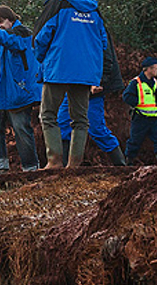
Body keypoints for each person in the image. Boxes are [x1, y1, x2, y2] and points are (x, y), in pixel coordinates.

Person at [33, 0, 107, 169]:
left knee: (48, 115)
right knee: (80, 119)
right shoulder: (94, 9)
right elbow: (104, 42)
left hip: (59, 68)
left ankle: (54, 161)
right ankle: (74, 164)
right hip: (85, 72)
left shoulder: (58, 5)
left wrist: (43, 59)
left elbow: (41, 36)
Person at [0, 5, 41, 174]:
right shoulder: (1, 37)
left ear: (11, 19)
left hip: (18, 88)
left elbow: (14, 44)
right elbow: (1, 62)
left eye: (0, 21)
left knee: (21, 127)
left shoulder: (22, 33)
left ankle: (31, 168)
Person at [56, 21, 126, 166]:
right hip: (71, 84)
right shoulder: (66, 24)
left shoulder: (94, 24)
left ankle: (121, 165)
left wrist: (99, 80)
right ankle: (65, 169)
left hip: (91, 85)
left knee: (96, 128)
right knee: (63, 123)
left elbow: (106, 55)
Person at [122, 57, 157, 166]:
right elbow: (126, 96)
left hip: (153, 118)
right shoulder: (136, 82)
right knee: (134, 141)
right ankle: (128, 162)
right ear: (148, 69)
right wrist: (138, 102)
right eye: (155, 68)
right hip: (140, 118)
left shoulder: (154, 82)